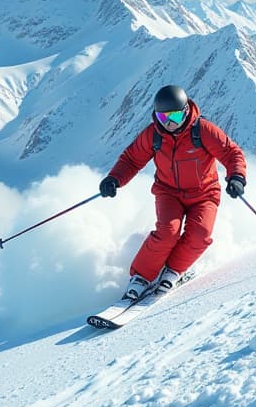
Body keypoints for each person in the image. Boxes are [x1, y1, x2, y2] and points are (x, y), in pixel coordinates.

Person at [99, 85, 247, 301]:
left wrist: (236, 177)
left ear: (186, 111)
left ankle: (173, 270)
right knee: (167, 232)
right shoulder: (154, 135)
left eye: (175, 116)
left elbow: (231, 153)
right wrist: (114, 179)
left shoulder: (202, 130)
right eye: (162, 117)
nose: (169, 124)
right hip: (169, 193)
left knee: (200, 234)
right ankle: (141, 277)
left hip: (204, 193)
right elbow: (131, 159)